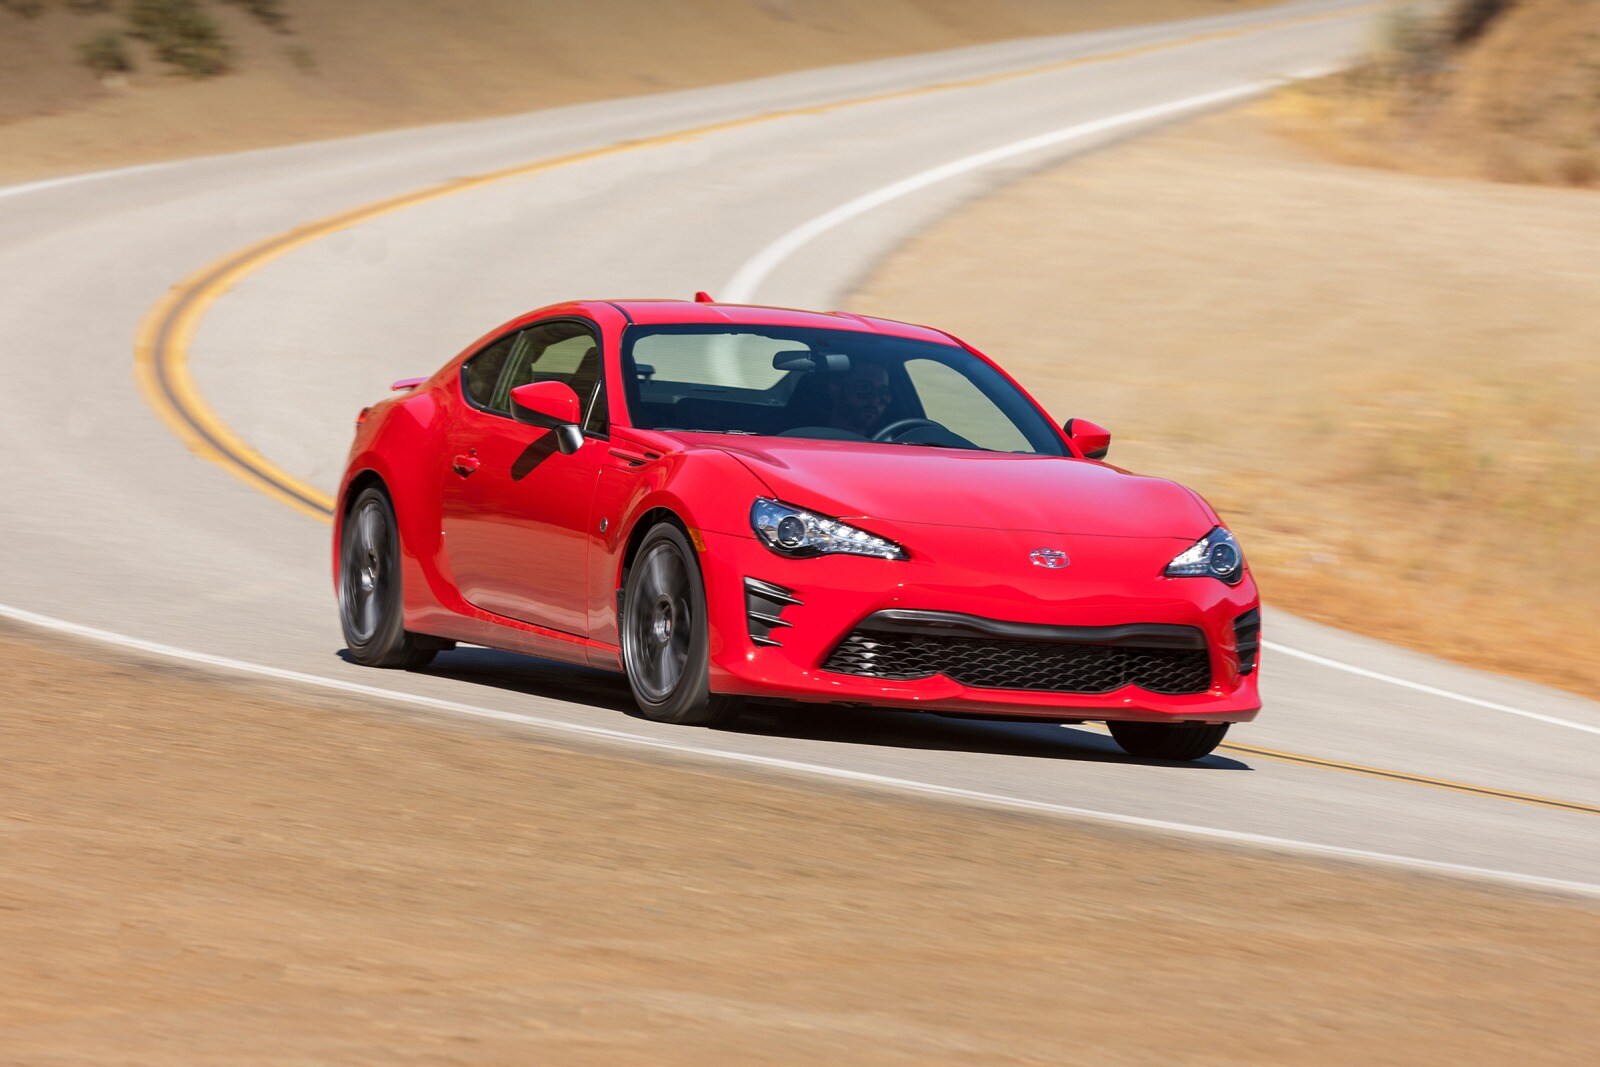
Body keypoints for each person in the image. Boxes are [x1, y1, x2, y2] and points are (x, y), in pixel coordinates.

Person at [827, 360, 893, 437]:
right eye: (864, 389)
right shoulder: (814, 437)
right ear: (834, 391)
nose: (876, 400)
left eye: (883, 392)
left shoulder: (894, 441)